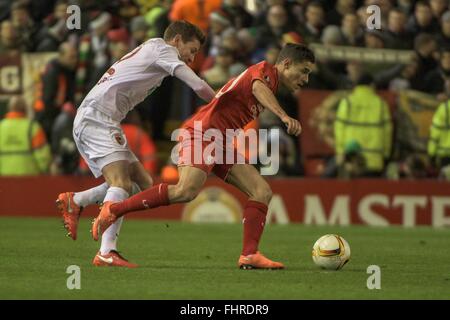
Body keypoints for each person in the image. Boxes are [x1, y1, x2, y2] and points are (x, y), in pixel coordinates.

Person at [91, 43, 315, 270]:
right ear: (286, 64)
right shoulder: (266, 71)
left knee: (262, 191)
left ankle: (249, 254)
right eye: (304, 71)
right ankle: (113, 210)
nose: (305, 79)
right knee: (185, 190)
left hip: (221, 140)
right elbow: (257, 88)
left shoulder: (271, 81)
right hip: (202, 133)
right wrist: (284, 116)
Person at [56, 21, 216, 268]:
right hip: (96, 117)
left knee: (143, 183)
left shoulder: (154, 48)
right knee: (120, 183)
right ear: (176, 41)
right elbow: (197, 85)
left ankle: (76, 201)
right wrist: (222, 101)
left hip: (102, 118)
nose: (192, 58)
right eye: (192, 50)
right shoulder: (164, 51)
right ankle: (106, 252)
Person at [0, 97, 51, 176]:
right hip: (29, 178)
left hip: (4, 179)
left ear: (9, 109)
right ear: (25, 110)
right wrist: (45, 171)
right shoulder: (33, 127)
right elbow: (43, 156)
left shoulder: (1, 127)